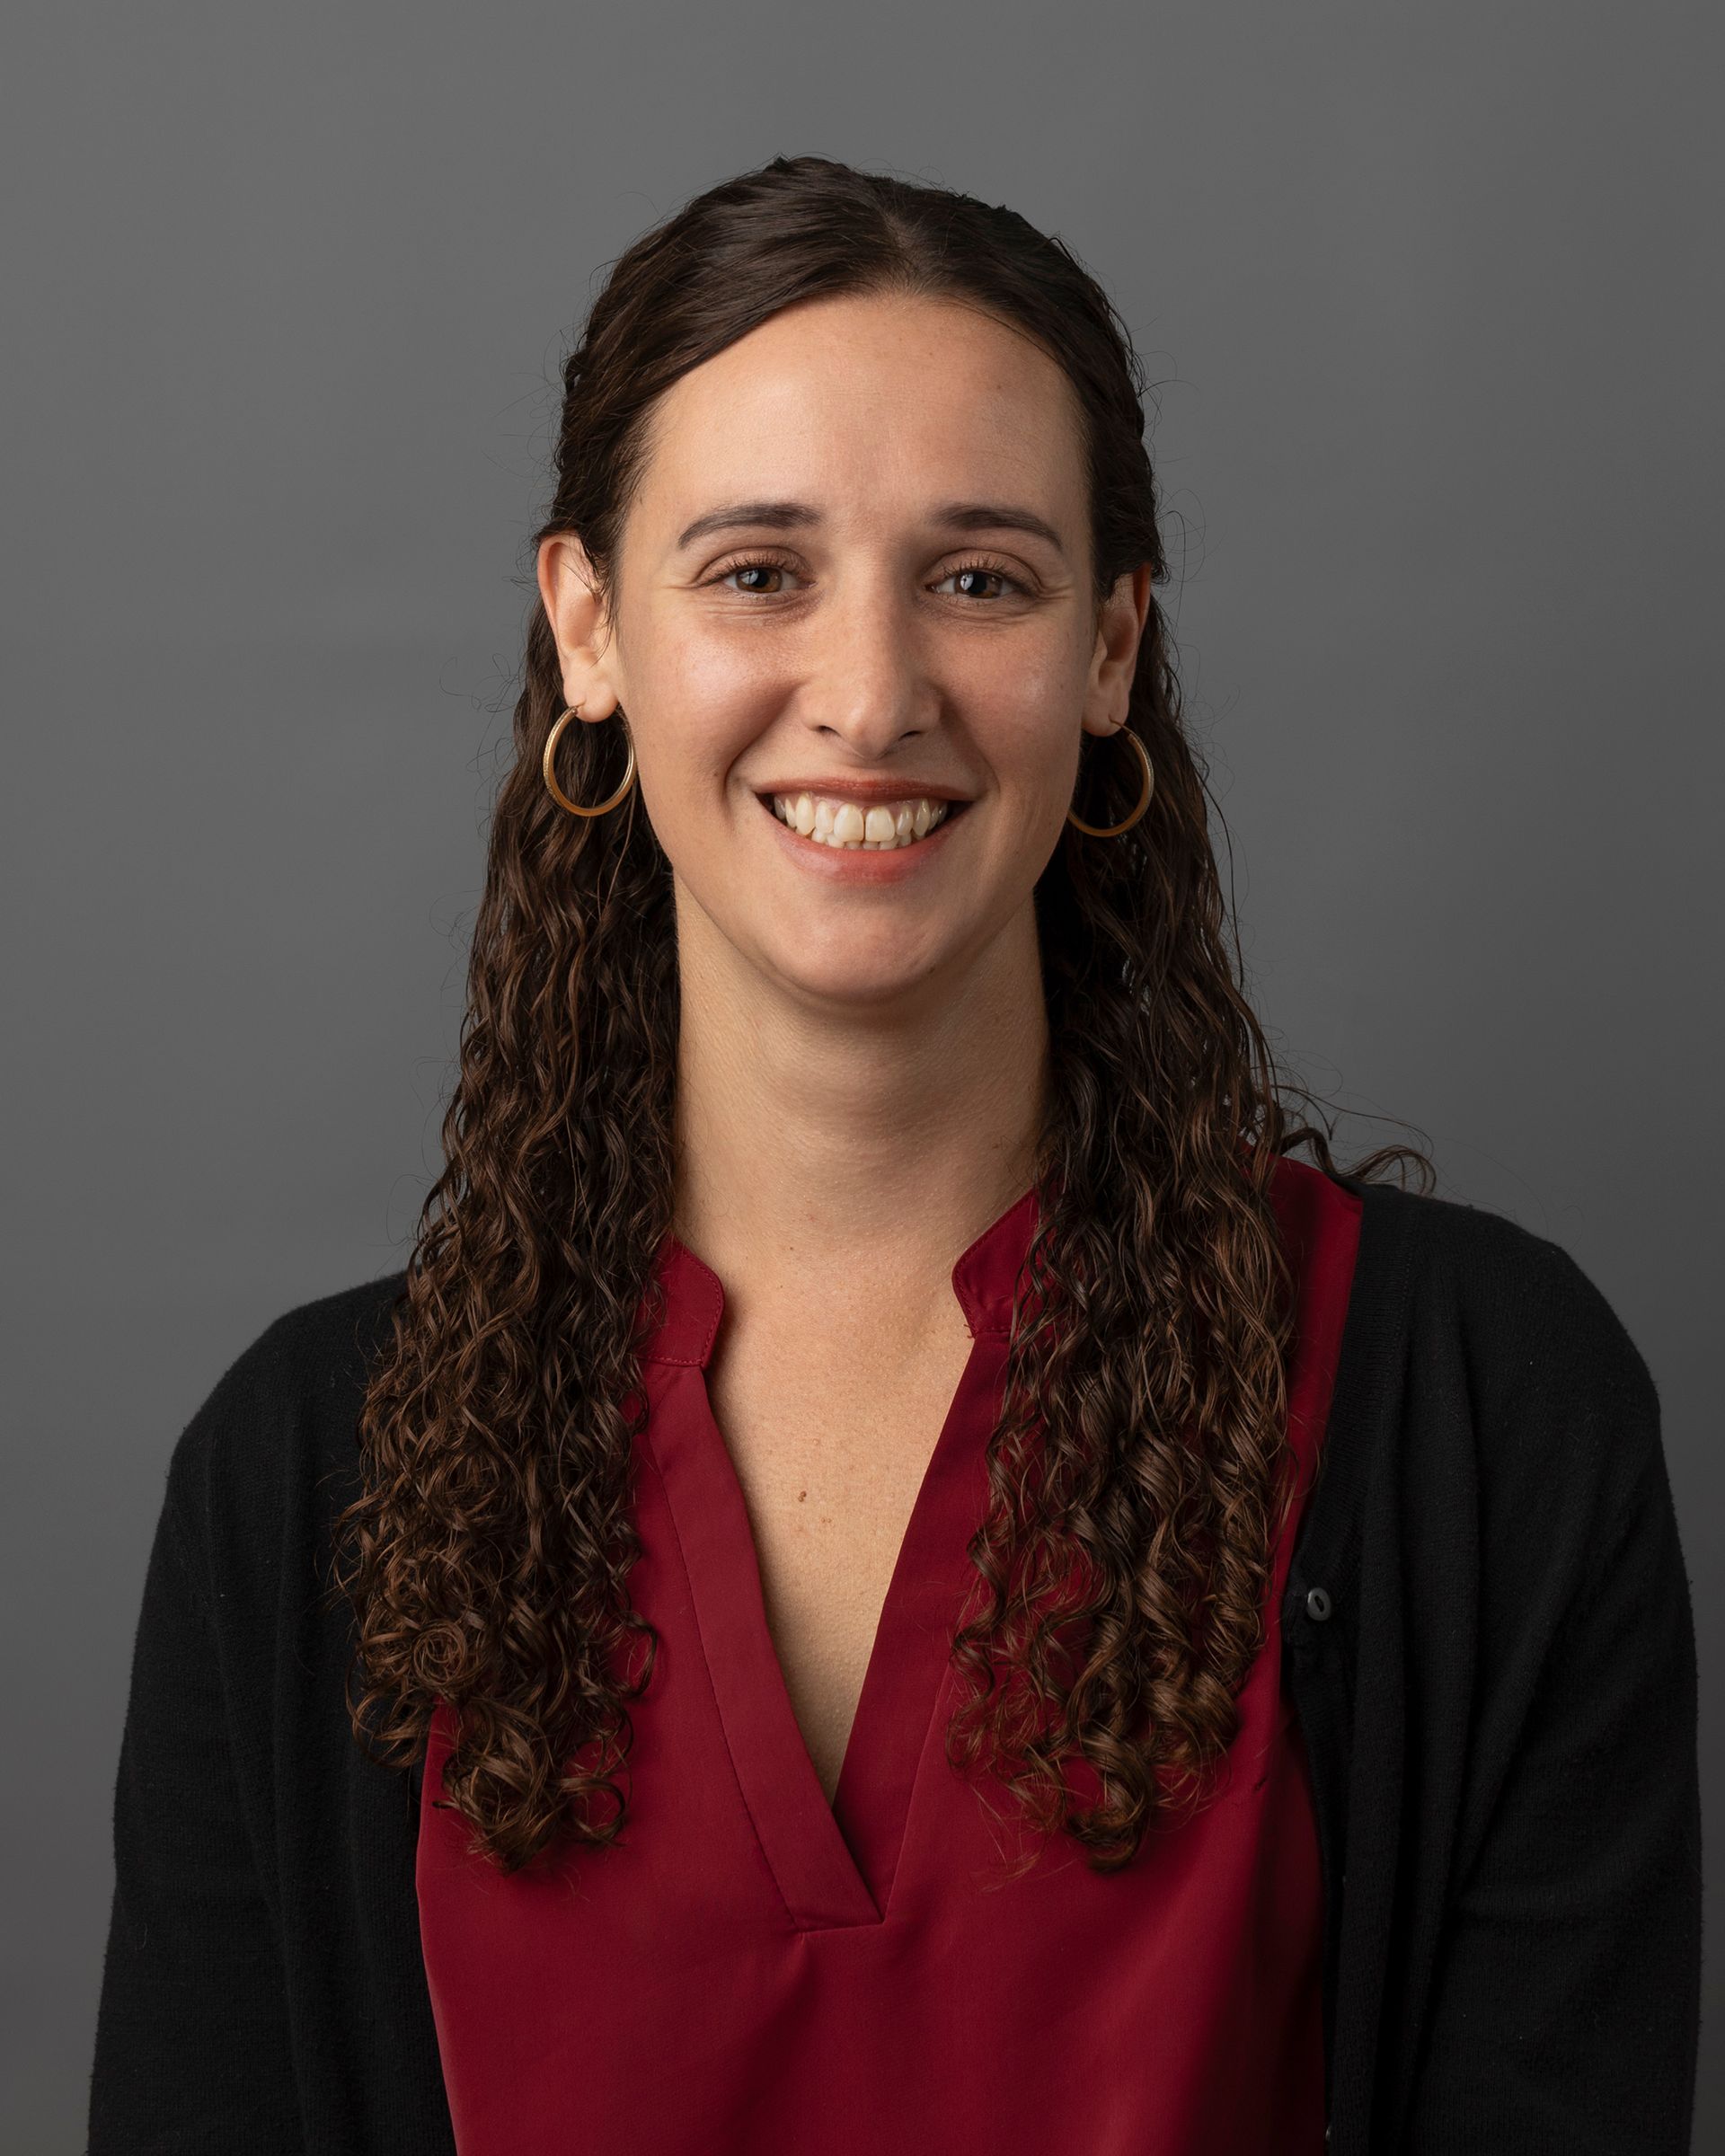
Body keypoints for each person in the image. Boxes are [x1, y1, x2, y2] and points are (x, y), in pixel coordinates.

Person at [87, 156, 1701, 2155]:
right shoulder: (299, 1486)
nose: (870, 697)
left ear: (1111, 652)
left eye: (983, 577)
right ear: (590, 627)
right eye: (758, 570)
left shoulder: (1480, 1414)